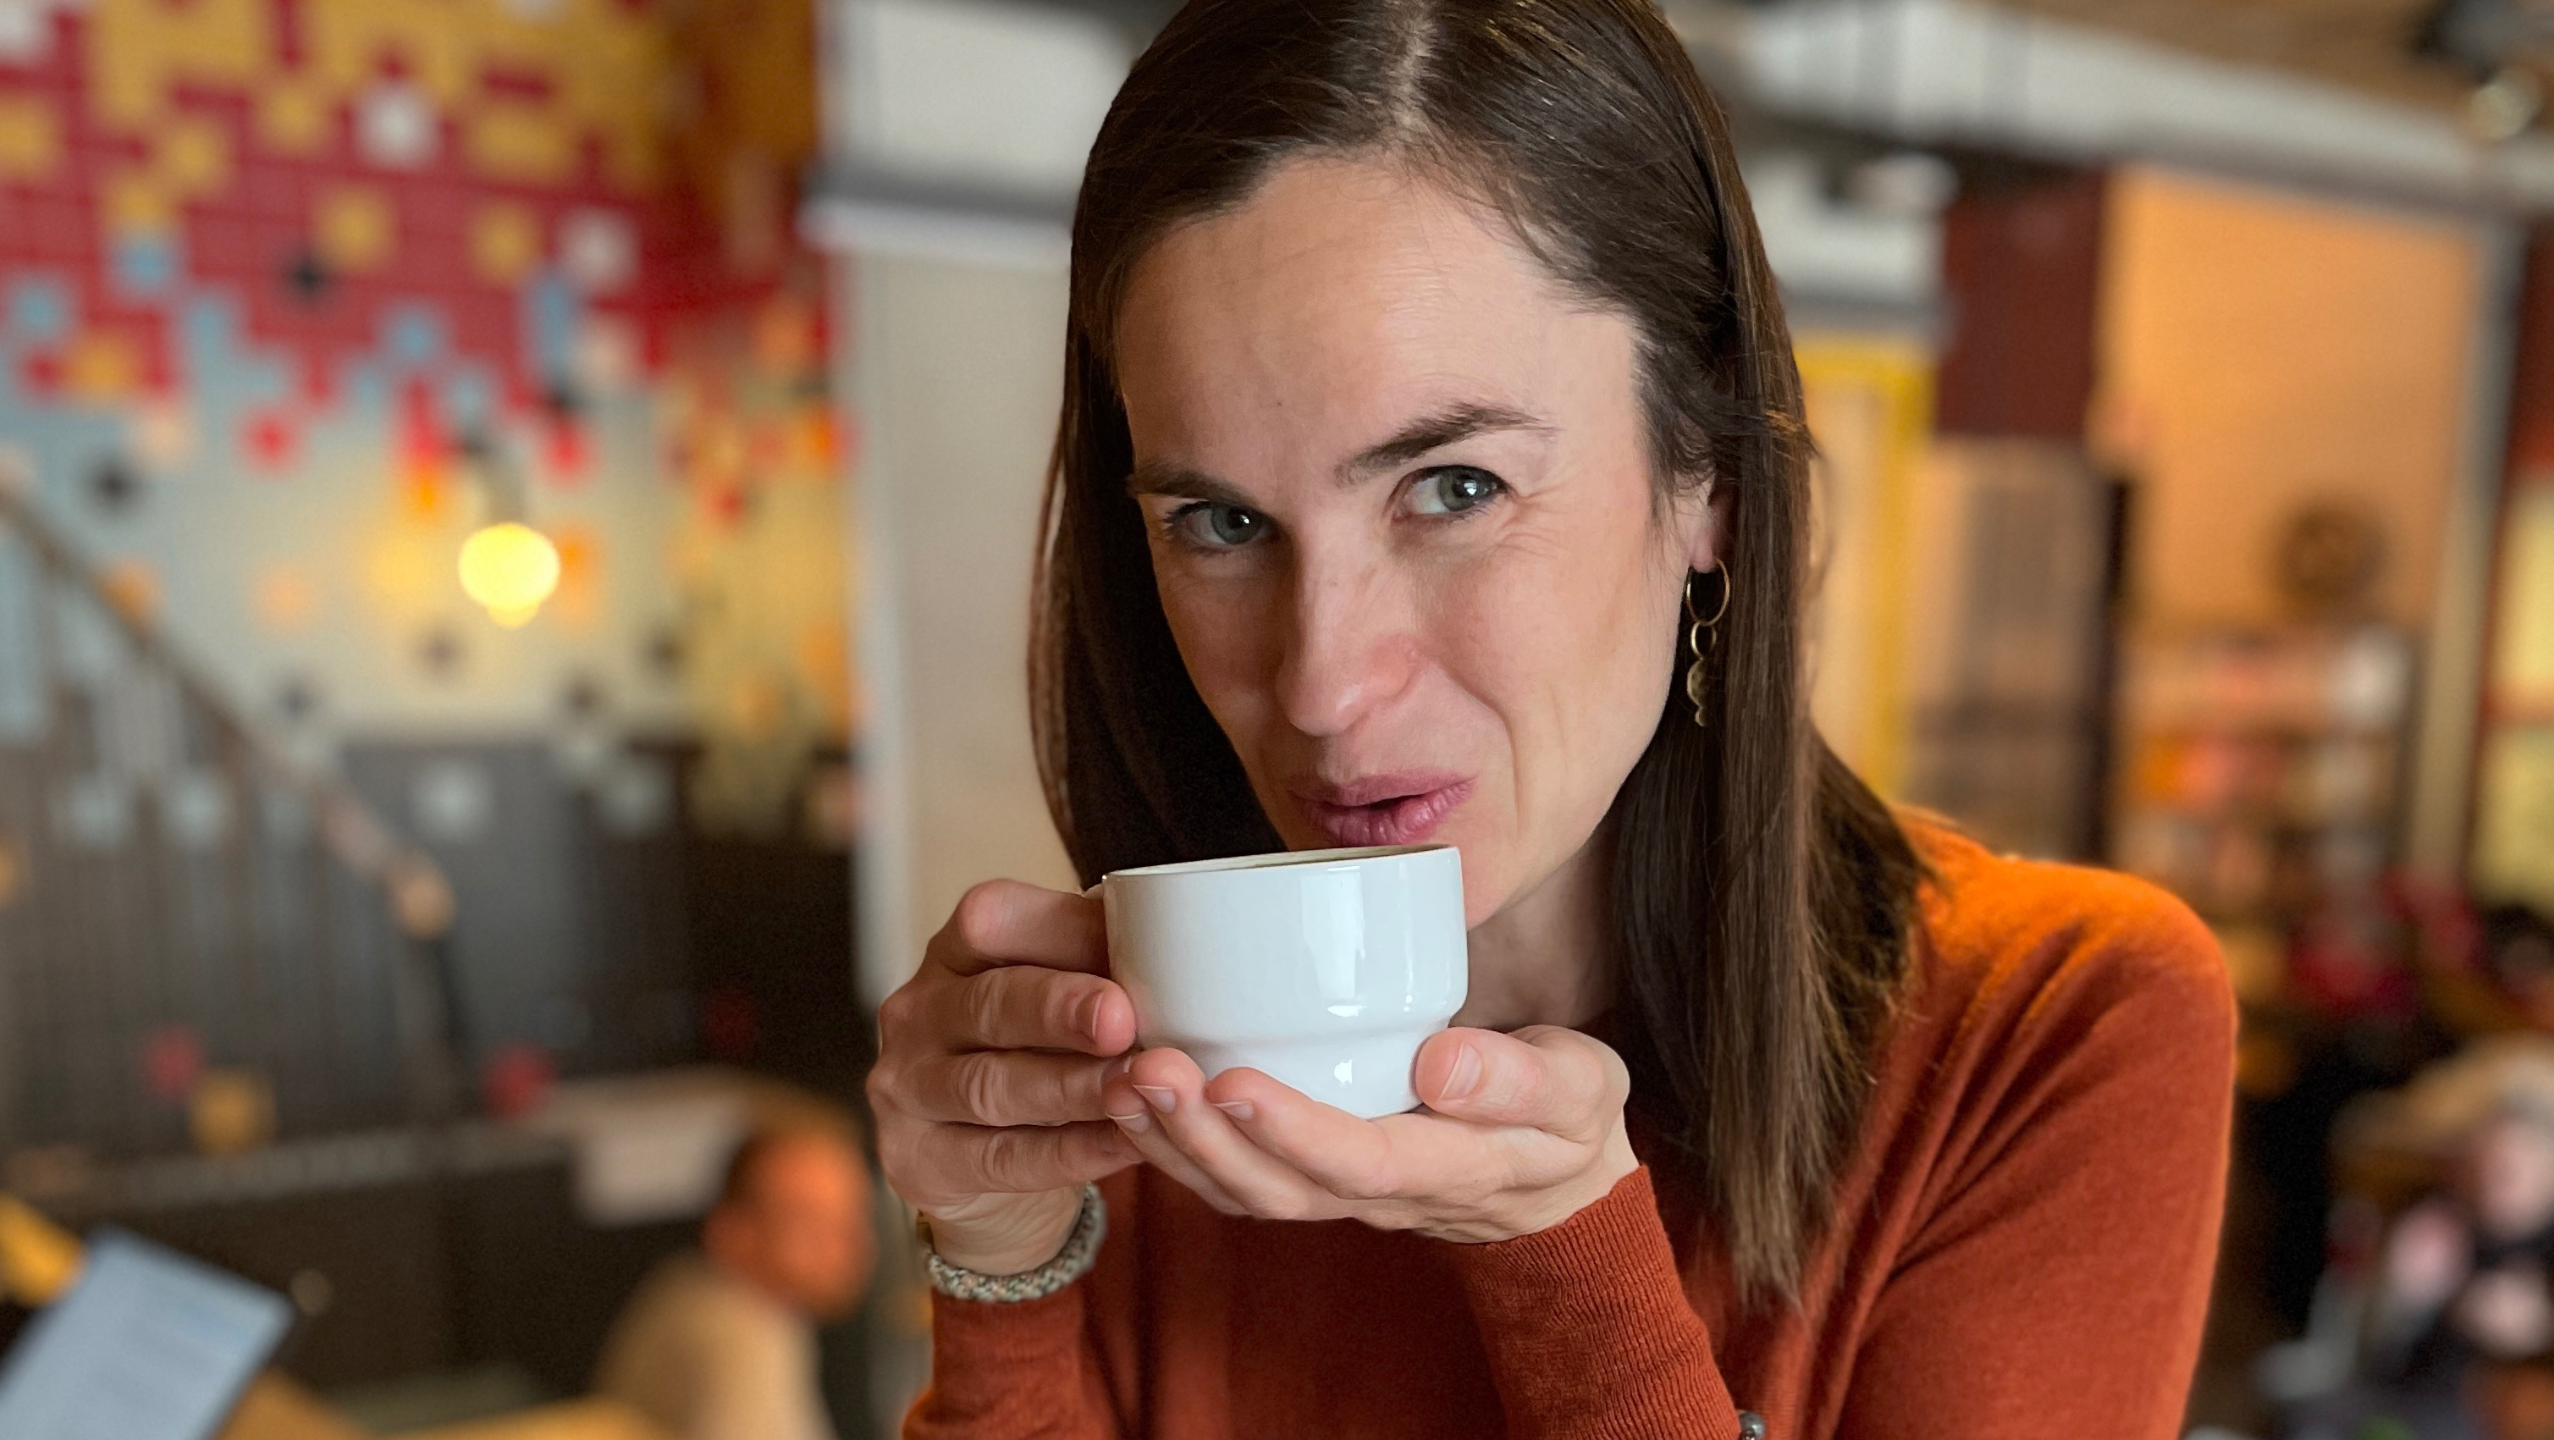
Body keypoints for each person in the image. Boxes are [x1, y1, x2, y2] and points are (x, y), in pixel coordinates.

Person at [864, 0, 2238, 1434]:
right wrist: (998, 1253)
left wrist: (1567, 1257)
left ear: (1708, 476)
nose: (1324, 684)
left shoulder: (2051, 1031)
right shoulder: (1161, 1069)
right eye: (1221, 522)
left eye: (1455, 488)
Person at [595, 1125, 875, 1440]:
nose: (848, 1246)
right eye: (808, 1225)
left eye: (852, 1217)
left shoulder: (693, 1290)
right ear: (730, 1232)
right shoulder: (735, 1336)